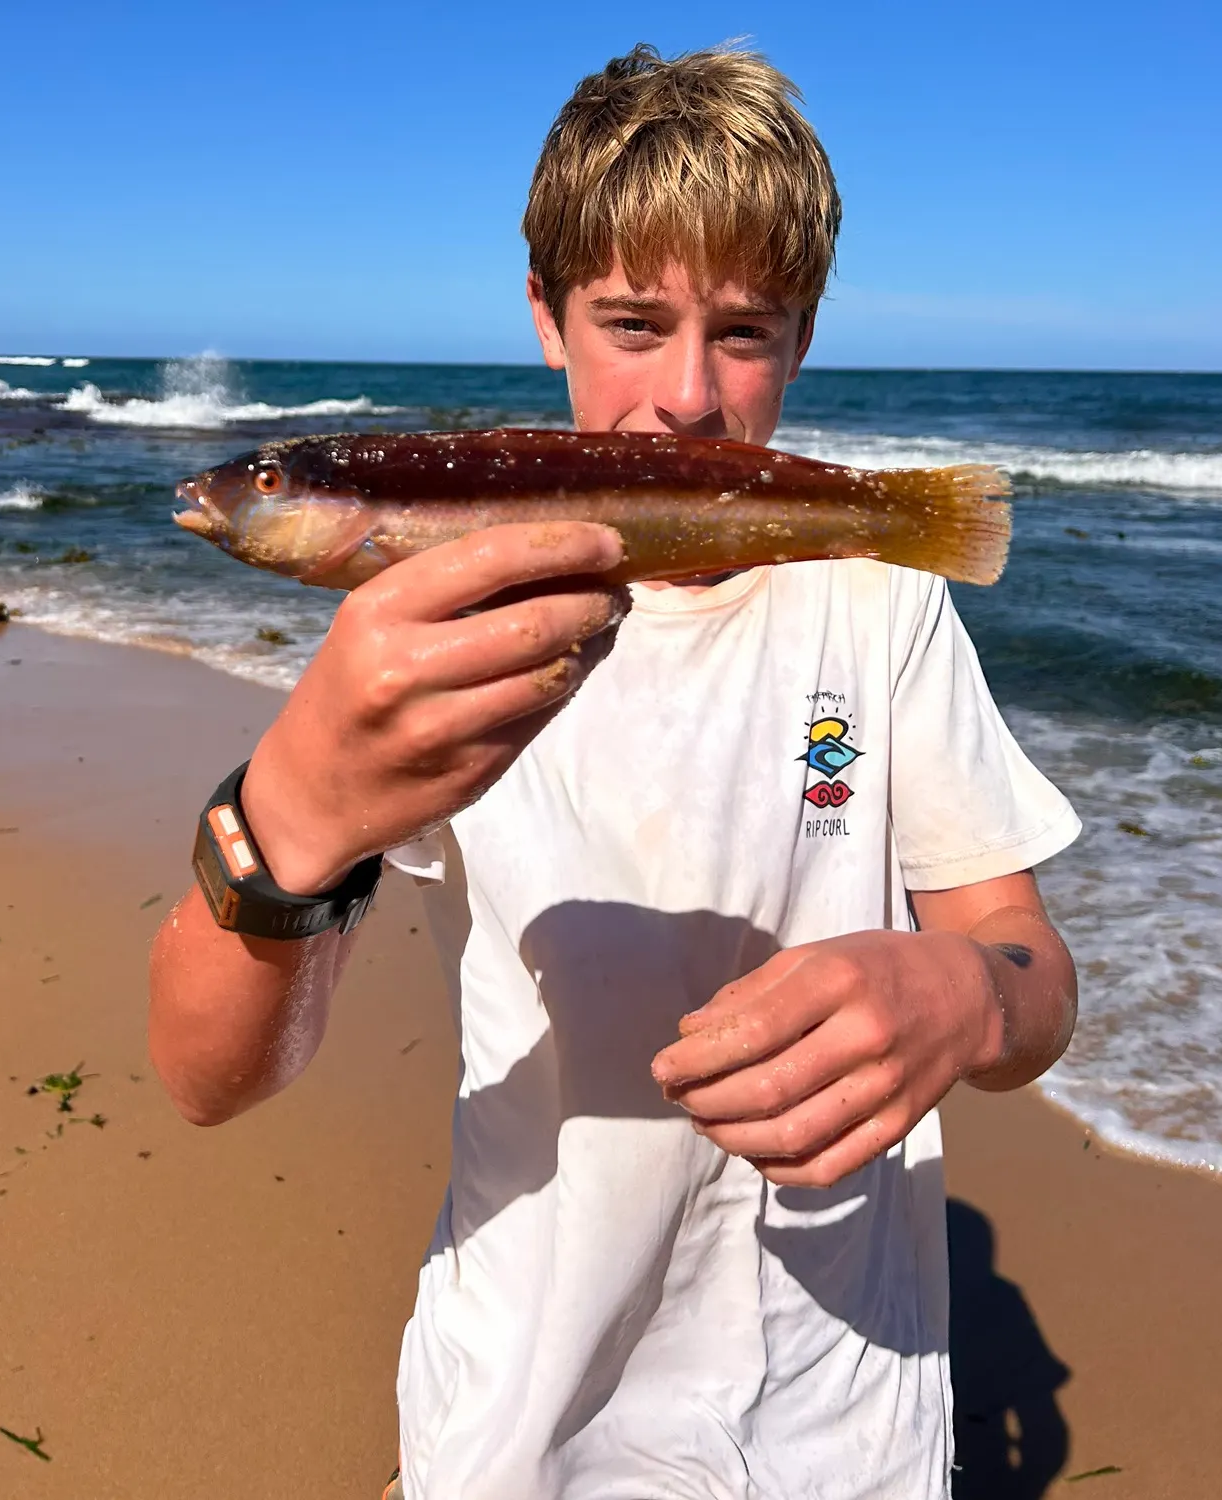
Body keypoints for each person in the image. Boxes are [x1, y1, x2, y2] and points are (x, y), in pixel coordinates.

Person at [149, 43, 1081, 1500]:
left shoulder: (883, 599)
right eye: (633, 323)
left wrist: (965, 994)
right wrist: (296, 807)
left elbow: (1030, 976)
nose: (686, 400)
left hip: (842, 1423)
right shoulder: (445, 629)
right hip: (519, 1420)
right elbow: (209, 1078)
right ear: (546, 315)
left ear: (806, 336)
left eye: (749, 333)